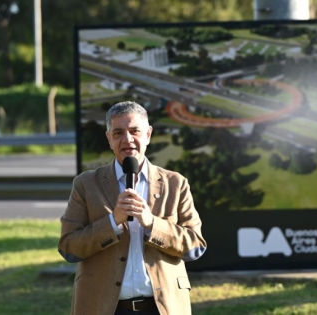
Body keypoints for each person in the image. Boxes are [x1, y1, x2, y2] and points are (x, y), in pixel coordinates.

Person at [58, 101, 207, 315]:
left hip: (162, 307)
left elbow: (195, 246)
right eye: (118, 133)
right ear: (109, 139)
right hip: (104, 308)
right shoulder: (86, 184)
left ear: (148, 134)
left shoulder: (175, 183)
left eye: (134, 131)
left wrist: (152, 224)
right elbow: (69, 247)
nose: (127, 140)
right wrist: (112, 222)